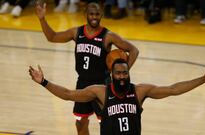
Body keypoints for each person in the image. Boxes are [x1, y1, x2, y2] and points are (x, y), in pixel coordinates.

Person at [29, 58, 205, 135]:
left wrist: (202, 79)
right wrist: (44, 82)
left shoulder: (139, 91)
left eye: (125, 73)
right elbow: (68, 94)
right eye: (118, 73)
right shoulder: (100, 92)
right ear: (112, 75)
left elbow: (173, 89)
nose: (122, 76)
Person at [35, 1, 139, 135]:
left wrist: (122, 73)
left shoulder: (108, 36)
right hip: (83, 83)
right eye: (91, 14)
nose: (94, 17)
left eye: (97, 14)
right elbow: (52, 37)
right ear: (86, 14)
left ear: (101, 14)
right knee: (80, 121)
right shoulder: (77, 32)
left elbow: (134, 50)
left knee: (108, 123)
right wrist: (42, 19)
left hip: (102, 84)